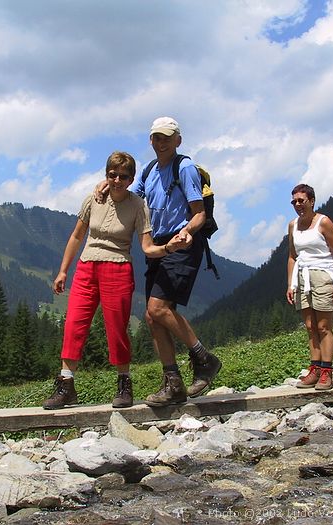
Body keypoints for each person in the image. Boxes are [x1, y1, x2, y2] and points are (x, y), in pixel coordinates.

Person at [42, 151, 186, 410]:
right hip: (86, 267)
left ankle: (123, 383)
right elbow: (77, 236)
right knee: (74, 324)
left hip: (118, 268)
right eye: (112, 175)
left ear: (131, 179)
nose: (117, 180)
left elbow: (147, 247)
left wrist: (168, 248)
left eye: (123, 176)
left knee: (116, 329)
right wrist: (64, 270)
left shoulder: (137, 205)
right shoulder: (92, 199)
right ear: (106, 175)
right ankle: (66, 386)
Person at [96, 117, 222, 406]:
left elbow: (199, 213)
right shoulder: (150, 170)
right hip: (157, 246)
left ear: (178, 140)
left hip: (183, 244)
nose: (161, 143)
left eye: (166, 137)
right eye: (156, 137)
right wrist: (104, 185)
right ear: (150, 141)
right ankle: (173, 383)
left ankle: (204, 359)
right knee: (153, 317)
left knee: (157, 307)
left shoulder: (185, 168)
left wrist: (186, 233)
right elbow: (130, 197)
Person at [286, 183, 333, 390]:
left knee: (323, 326)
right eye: (294, 201)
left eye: (301, 200)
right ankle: (315, 369)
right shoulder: (293, 225)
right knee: (311, 327)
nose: (297, 204)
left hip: (323, 275)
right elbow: (293, 256)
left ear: (311, 201)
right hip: (302, 277)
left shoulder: (324, 222)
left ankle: (327, 372)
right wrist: (290, 284)